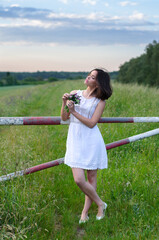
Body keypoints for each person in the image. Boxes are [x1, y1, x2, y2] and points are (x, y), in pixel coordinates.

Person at [61, 68, 112, 223]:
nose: (88, 78)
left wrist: (74, 112)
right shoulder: (75, 94)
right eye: (89, 75)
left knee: (91, 177)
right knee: (78, 179)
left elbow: (91, 123)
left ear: (98, 83)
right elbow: (64, 118)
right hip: (75, 139)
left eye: (92, 77)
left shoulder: (99, 102)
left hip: (91, 140)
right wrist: (64, 103)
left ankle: (84, 213)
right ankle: (101, 203)